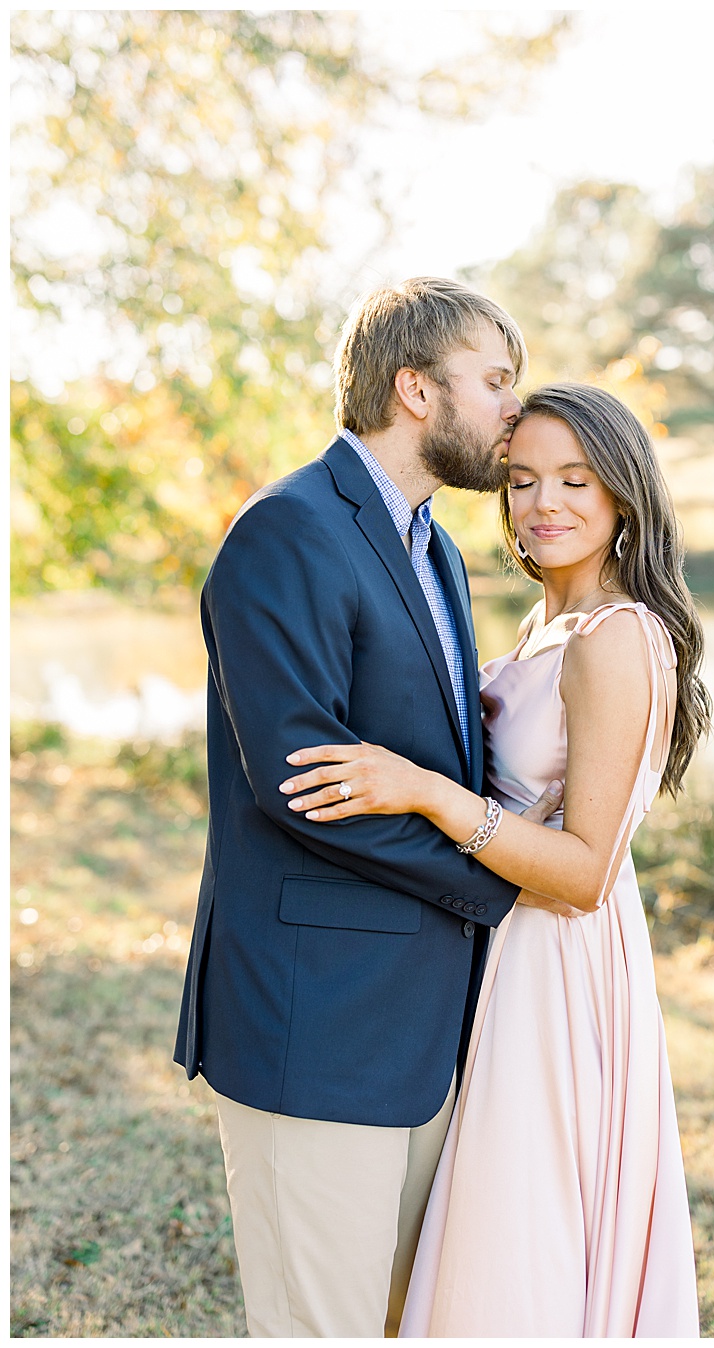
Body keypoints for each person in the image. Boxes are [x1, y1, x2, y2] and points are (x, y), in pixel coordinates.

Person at [174, 277, 566, 1337]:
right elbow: (304, 784)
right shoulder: (288, 531)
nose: (514, 410)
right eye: (495, 382)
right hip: (314, 1022)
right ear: (415, 390)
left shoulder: (435, 548)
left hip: (423, 1029)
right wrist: (500, 874)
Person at [277, 382, 711, 1335]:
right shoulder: (540, 626)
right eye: (522, 481)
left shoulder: (617, 638)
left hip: (554, 964)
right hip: (496, 942)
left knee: (519, 1233)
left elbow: (586, 874)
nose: (543, 504)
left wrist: (430, 793)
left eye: (575, 481)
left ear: (624, 495)